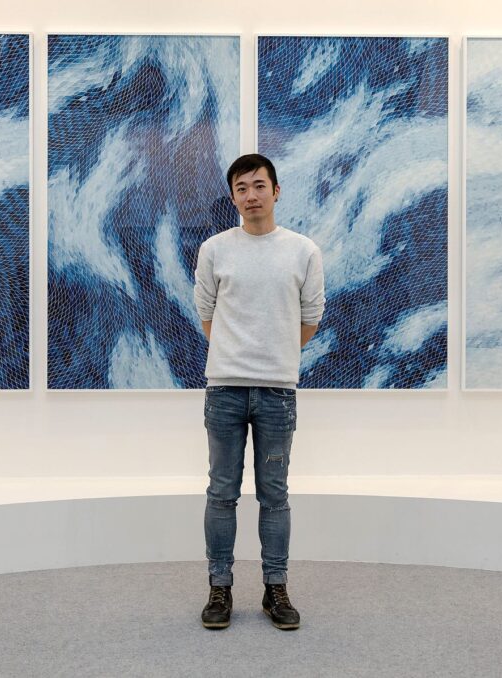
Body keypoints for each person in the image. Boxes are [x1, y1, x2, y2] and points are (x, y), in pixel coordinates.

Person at [193, 153, 325, 630]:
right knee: (221, 492)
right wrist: (237, 353)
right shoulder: (214, 250)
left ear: (276, 191)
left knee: (275, 495)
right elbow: (206, 313)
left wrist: (272, 356)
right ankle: (219, 588)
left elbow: (310, 318)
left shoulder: (303, 251)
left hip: (277, 394)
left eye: (259, 185)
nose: (251, 195)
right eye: (241, 188)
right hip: (224, 390)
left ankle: (275, 588)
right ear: (233, 197)